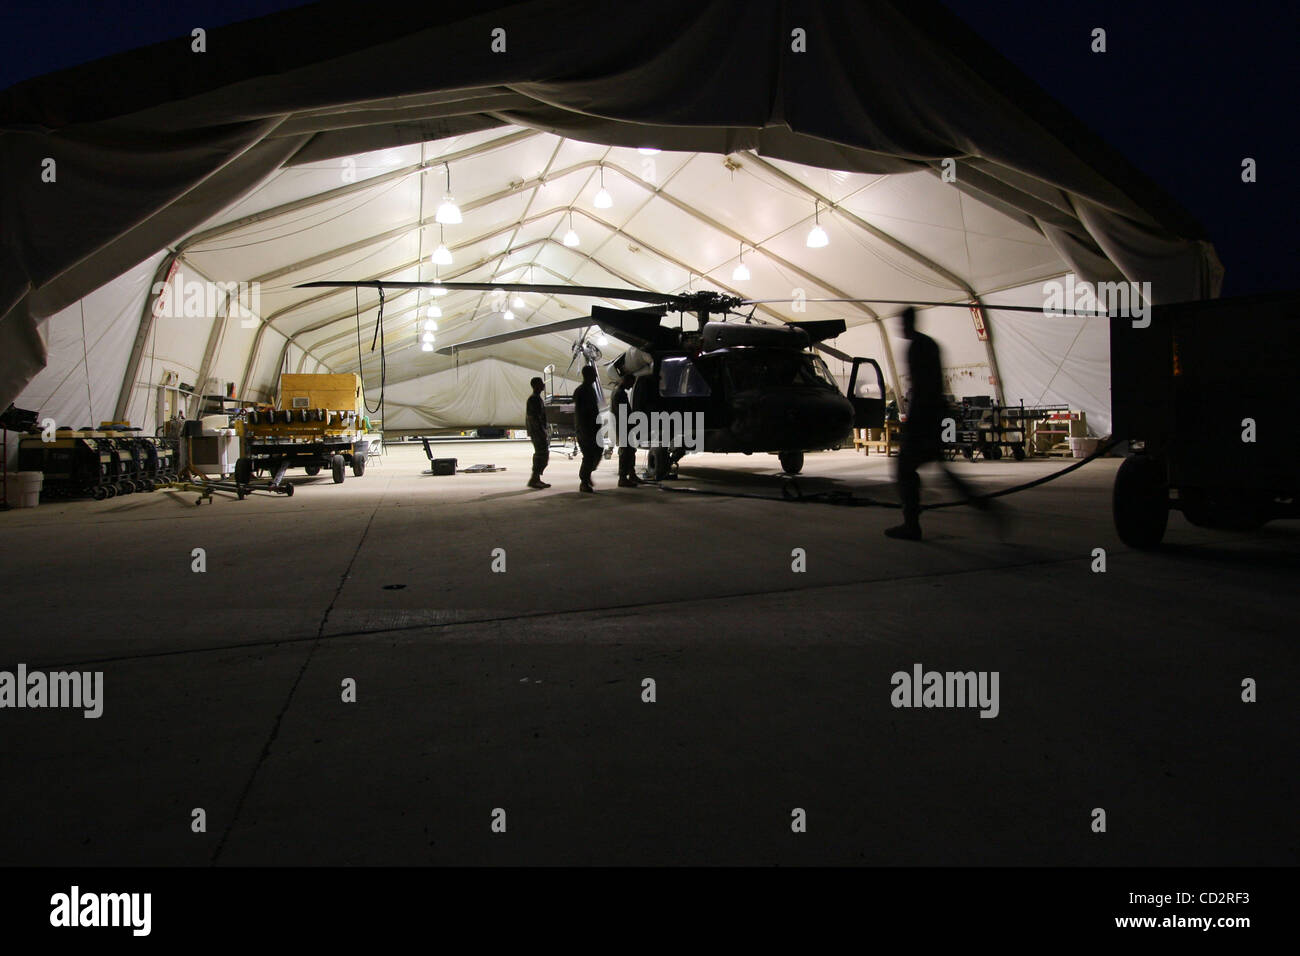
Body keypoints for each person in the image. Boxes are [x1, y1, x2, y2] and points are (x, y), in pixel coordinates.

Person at [885, 307, 990, 540]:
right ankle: (984, 505)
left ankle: (911, 524)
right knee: (941, 468)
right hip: (936, 415)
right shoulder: (930, 344)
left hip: (924, 417)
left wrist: (912, 422)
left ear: (907, 322)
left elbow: (922, 388)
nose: (898, 327)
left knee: (905, 469)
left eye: (901, 322)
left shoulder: (916, 348)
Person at [573, 365, 602, 493]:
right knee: (589, 456)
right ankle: (584, 481)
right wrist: (584, 430)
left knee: (597, 452)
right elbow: (581, 412)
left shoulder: (590, 390)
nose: (596, 376)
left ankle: (587, 474)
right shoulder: (581, 391)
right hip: (586, 429)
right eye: (594, 374)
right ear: (588, 375)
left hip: (593, 428)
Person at [611, 373, 641, 488]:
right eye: (631, 383)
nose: (631, 386)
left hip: (622, 426)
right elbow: (624, 413)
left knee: (630, 451)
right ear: (626, 381)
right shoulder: (620, 394)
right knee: (625, 452)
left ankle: (631, 474)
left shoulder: (617, 392)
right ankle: (623, 478)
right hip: (624, 426)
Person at [525, 376, 550, 489]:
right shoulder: (533, 399)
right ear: (535, 386)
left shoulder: (537, 398)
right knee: (541, 454)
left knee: (542, 454)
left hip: (538, 431)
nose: (543, 385)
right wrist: (540, 432)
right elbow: (533, 418)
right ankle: (534, 479)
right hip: (537, 432)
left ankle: (536, 478)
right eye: (541, 383)